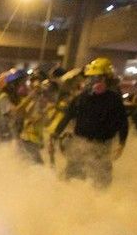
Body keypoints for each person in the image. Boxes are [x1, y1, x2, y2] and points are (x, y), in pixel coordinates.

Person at [52, 57, 128, 188]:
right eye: (93, 78)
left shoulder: (114, 100)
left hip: (102, 147)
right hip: (80, 143)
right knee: (72, 178)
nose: (95, 81)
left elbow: (123, 122)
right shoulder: (81, 98)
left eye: (99, 78)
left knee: (101, 182)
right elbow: (67, 117)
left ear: (108, 78)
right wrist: (55, 135)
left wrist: (122, 143)